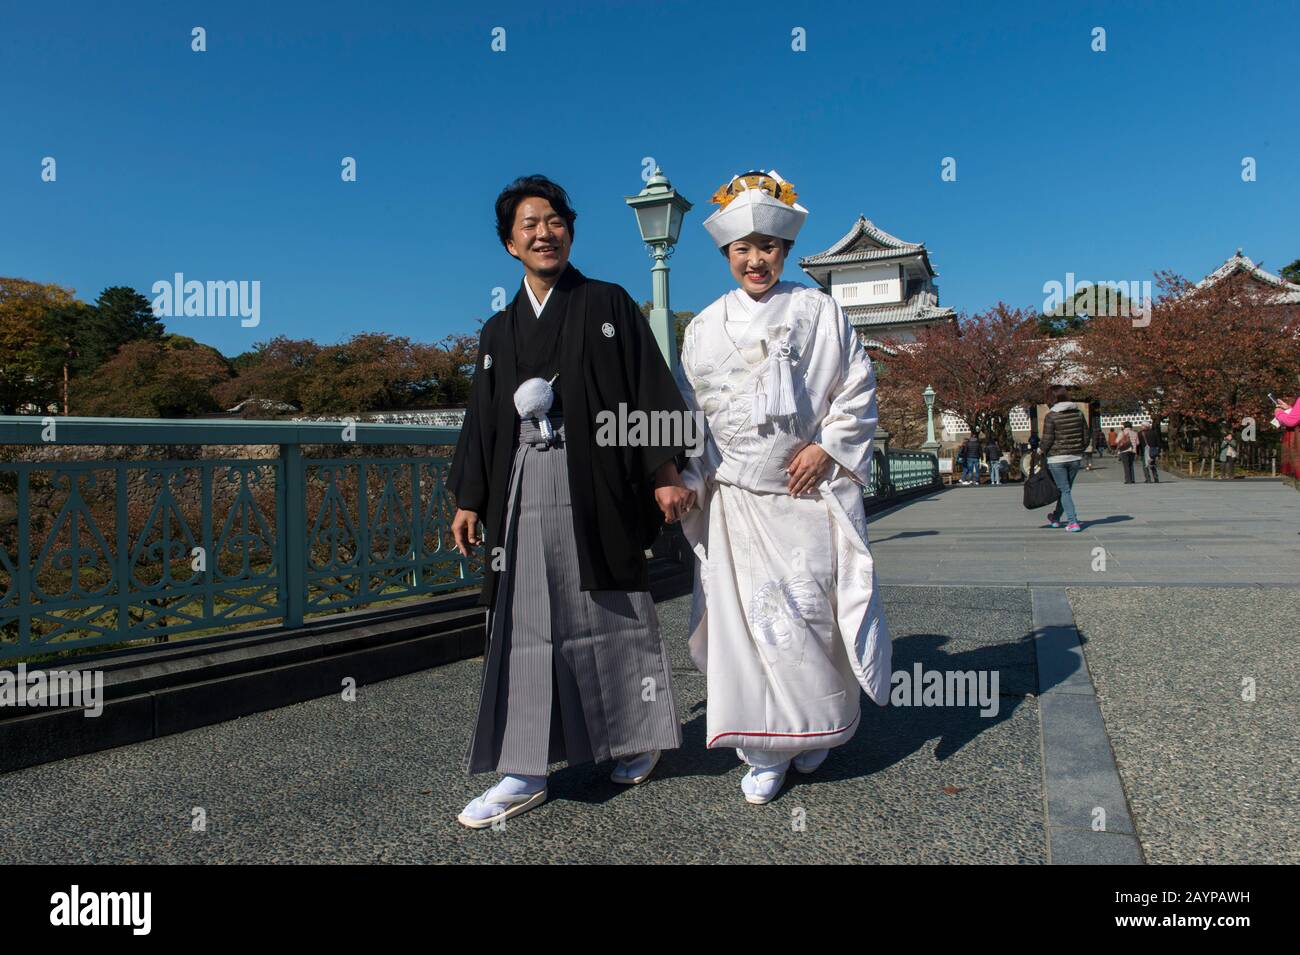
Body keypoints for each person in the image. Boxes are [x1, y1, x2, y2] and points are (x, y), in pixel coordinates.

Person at [447, 175, 692, 828]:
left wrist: (664, 470)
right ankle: (523, 768)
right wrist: (470, 497)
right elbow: (482, 420)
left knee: (611, 606)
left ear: (571, 230)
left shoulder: (608, 304)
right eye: (528, 224)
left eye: (554, 220)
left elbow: (648, 387)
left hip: (598, 484)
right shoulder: (499, 331)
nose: (543, 232)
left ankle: (637, 738)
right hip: (521, 486)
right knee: (522, 622)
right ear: (509, 244)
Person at [673, 169, 892, 805]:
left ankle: (813, 729)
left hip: (805, 492)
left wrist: (828, 447)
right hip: (737, 499)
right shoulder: (703, 327)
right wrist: (689, 478)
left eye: (768, 247)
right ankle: (764, 750)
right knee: (746, 626)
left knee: (807, 618)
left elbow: (856, 387)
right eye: (743, 248)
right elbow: (692, 418)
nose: (756, 259)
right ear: (726, 254)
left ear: (786, 252)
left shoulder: (819, 310)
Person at [1039, 386, 1087, 531]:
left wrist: (1041, 451)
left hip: (1057, 458)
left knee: (1064, 490)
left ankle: (1073, 522)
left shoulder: (1051, 416)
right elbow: (1086, 435)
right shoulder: (1078, 413)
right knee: (1065, 490)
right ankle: (1056, 517)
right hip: (1074, 457)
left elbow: (1048, 439)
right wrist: (1079, 449)